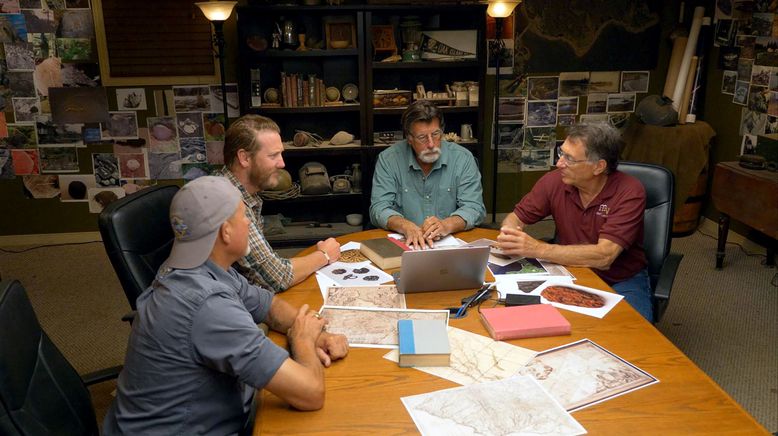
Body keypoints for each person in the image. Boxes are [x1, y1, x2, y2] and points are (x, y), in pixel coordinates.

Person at [103, 176, 349, 435]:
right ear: (225, 231)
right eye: (244, 217)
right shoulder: (208, 307)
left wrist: (317, 334)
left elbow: (267, 304)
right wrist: (303, 340)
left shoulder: (199, 266)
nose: (249, 223)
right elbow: (310, 394)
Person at [497, 123, 653, 321]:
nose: (559, 163)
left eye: (569, 159)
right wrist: (510, 232)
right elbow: (516, 216)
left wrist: (536, 248)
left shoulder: (630, 191)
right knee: (530, 321)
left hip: (620, 279)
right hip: (568, 271)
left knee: (632, 332)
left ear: (599, 166)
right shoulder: (554, 181)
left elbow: (604, 256)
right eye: (561, 153)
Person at [216, 115, 341, 293]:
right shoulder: (228, 201)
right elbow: (276, 278)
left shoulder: (238, 192)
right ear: (244, 158)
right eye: (273, 155)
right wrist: (324, 255)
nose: (282, 163)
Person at [369, 100, 486, 249]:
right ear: (409, 139)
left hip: (450, 245)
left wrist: (447, 225)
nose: (431, 144)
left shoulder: (462, 158)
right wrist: (404, 225)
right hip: (404, 244)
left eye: (436, 134)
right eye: (422, 137)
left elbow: (474, 207)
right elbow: (378, 208)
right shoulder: (389, 160)